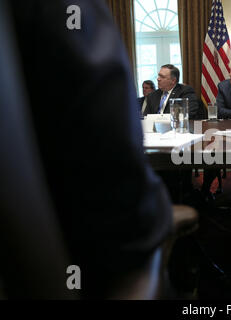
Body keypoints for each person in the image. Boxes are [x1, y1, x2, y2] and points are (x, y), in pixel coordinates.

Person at [8, 0, 172, 298]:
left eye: (162, 77)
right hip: (97, 265)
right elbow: (118, 185)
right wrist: (162, 205)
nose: (157, 81)